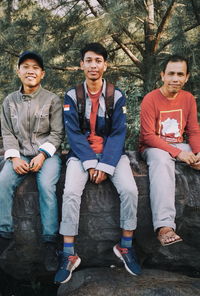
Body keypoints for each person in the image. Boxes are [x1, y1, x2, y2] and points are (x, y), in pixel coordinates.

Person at [54, 42, 141, 284]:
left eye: (98, 60)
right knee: (70, 191)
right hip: (81, 155)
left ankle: (124, 246)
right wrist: (91, 163)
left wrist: (105, 166)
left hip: (112, 155)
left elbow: (118, 134)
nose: (94, 65)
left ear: (105, 65)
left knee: (130, 190)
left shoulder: (117, 95)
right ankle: (69, 253)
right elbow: (73, 133)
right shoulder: (73, 95)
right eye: (89, 60)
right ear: (81, 64)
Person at [0, 51, 64, 269]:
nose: (30, 71)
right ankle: (5, 233)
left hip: (47, 155)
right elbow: (7, 133)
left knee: (46, 185)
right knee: (3, 182)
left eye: (35, 67)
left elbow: (57, 133)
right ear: (19, 72)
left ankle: (49, 242)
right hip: (19, 154)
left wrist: (43, 154)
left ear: (42, 73)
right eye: (25, 66)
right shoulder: (9, 101)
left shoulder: (52, 99)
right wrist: (14, 158)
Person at [139, 54, 200, 246]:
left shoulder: (188, 98)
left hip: (178, 144)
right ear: (162, 75)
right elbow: (148, 136)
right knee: (161, 160)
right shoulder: (151, 99)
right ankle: (164, 226)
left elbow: (193, 130)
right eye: (171, 73)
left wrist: (198, 153)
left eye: (180, 74)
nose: (175, 78)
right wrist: (178, 153)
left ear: (187, 77)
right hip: (153, 147)